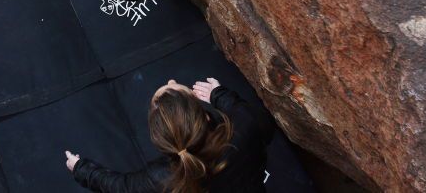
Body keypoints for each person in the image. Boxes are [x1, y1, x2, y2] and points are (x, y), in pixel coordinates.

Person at [65, 77, 275, 193]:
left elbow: (120, 187)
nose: (172, 79)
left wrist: (82, 170)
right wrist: (219, 94)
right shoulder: (244, 128)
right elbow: (258, 122)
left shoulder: (161, 180)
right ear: (207, 118)